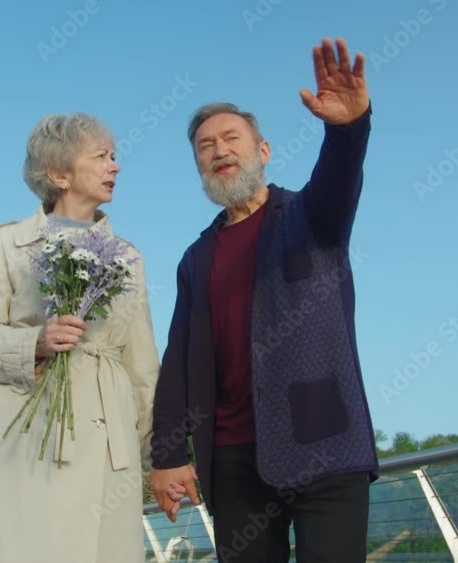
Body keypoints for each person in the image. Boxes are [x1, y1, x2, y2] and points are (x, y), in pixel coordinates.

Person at [149, 37, 379, 562]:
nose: (219, 150)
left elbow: (340, 178)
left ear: (264, 152)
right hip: (233, 463)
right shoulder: (195, 259)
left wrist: (347, 129)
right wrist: (166, 453)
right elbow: (178, 361)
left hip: (326, 447)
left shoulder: (311, 216)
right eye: (205, 146)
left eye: (231, 138)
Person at [0, 113, 161, 562]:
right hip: (16, 435)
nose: (115, 165)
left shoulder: (130, 258)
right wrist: (34, 342)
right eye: (101, 156)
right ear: (58, 174)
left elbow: (143, 365)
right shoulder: (5, 243)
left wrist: (160, 458)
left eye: (114, 156)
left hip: (105, 441)